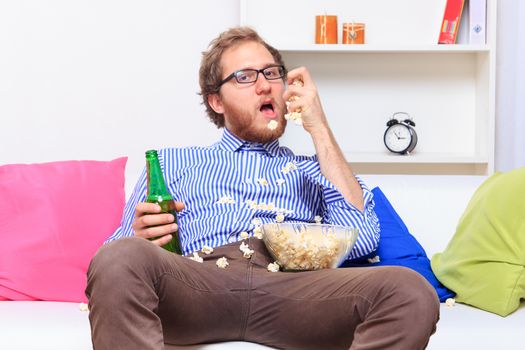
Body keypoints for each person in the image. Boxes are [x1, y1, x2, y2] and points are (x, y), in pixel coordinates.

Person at [86, 26, 439, 350]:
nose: (265, 85)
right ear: (216, 101)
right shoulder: (170, 162)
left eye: (272, 73)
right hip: (197, 284)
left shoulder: (317, 167)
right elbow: (107, 265)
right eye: (245, 76)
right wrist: (139, 234)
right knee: (120, 258)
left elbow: (361, 239)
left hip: (296, 291)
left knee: (410, 290)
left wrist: (319, 129)